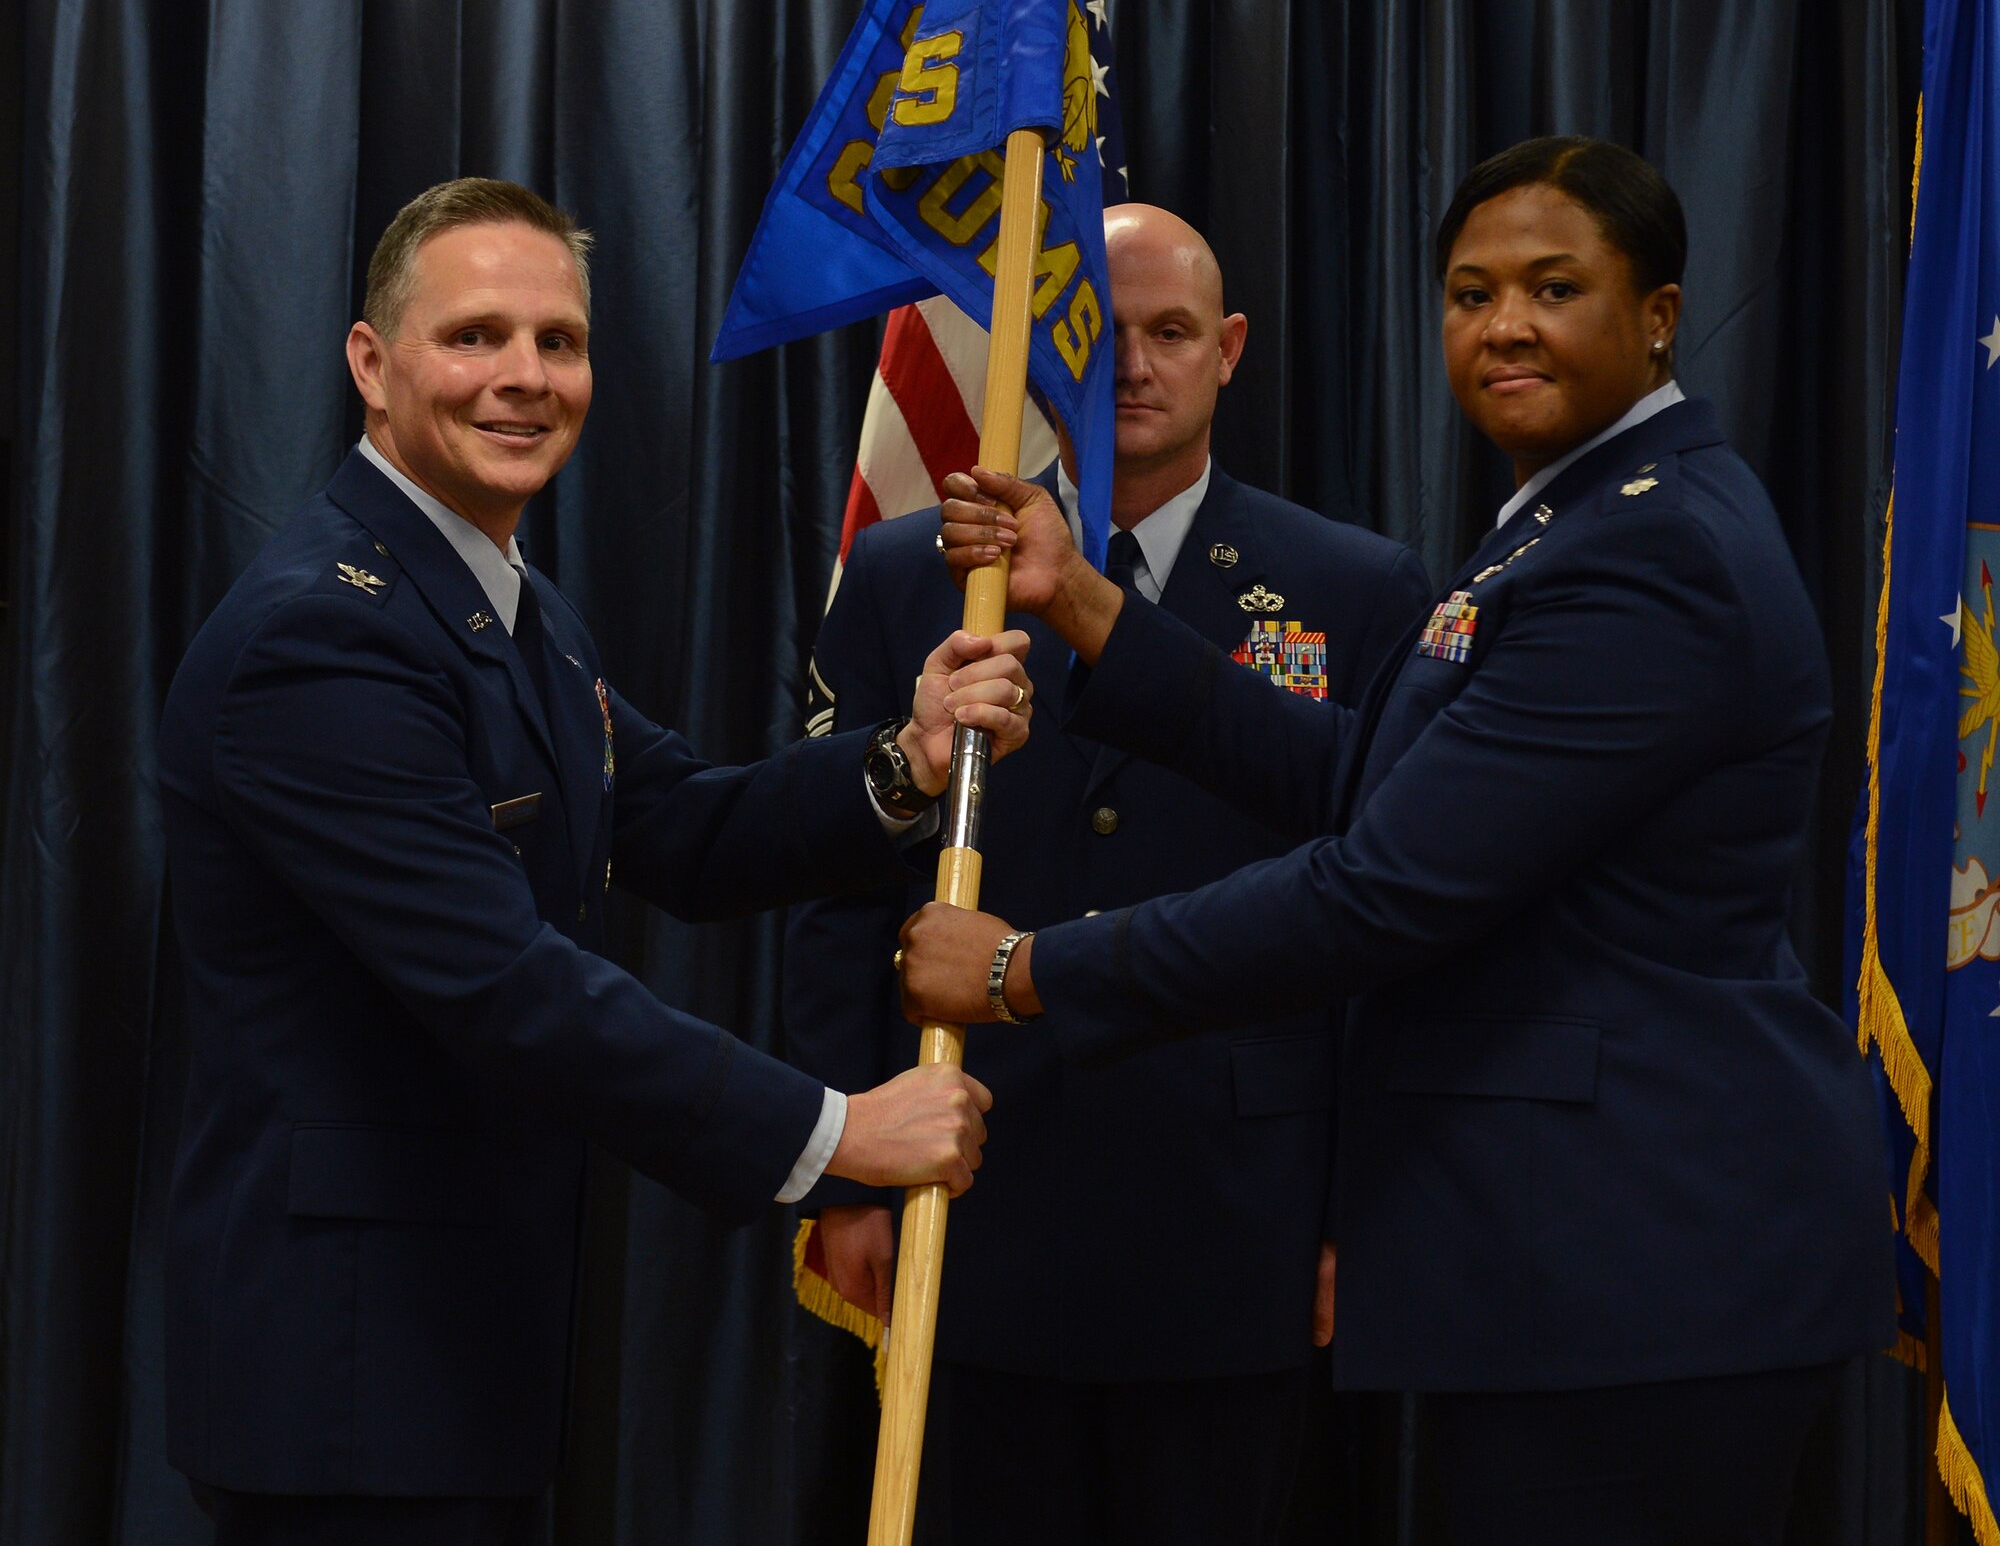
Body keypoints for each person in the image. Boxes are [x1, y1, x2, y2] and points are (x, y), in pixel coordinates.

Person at [902, 138, 1893, 1543]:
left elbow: (1379, 889)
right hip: (1578, 1270)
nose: (1504, 327)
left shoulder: (1650, 556)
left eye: (1555, 288)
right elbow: (1370, 772)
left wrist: (1024, 973)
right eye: (1472, 292)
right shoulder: (1569, 519)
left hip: (1640, 1274)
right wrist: (1089, 612)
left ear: (1657, 315)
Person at [157, 178, 1028, 1545]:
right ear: (371, 367)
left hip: (462, 1346)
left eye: (558, 342)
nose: (524, 378)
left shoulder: (513, 606)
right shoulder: (320, 641)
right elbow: (507, 986)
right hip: (346, 1381)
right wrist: (836, 1131)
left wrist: (906, 761)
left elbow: (678, 825)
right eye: (476, 337)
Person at [784, 204, 1430, 1545]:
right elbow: (839, 880)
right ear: (1045, 346)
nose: (1135, 366)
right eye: (1104, 334)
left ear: (1230, 349)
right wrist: (845, 1173)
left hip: (1235, 1210)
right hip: (975, 1191)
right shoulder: (914, 573)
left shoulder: (1355, 587)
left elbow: (1387, 924)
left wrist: (1356, 1214)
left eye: (1172, 334)